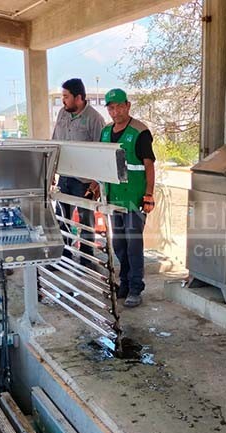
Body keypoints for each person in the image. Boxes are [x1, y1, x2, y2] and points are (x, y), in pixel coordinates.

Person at [102, 89, 155, 308]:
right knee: (119, 244)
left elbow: (149, 165)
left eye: (119, 107)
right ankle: (123, 284)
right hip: (114, 198)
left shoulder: (140, 132)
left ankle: (135, 288)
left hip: (134, 198)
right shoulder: (105, 132)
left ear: (128, 106)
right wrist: (97, 186)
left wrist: (149, 195)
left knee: (133, 245)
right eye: (111, 108)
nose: (116, 112)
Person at [52, 79, 107, 267]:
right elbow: (55, 142)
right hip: (65, 176)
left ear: (79, 97)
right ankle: (64, 256)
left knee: (85, 221)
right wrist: (52, 171)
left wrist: (96, 182)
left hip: (84, 180)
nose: (63, 100)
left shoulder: (94, 119)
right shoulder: (62, 114)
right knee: (62, 217)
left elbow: (101, 151)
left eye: (66, 96)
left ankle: (86, 258)